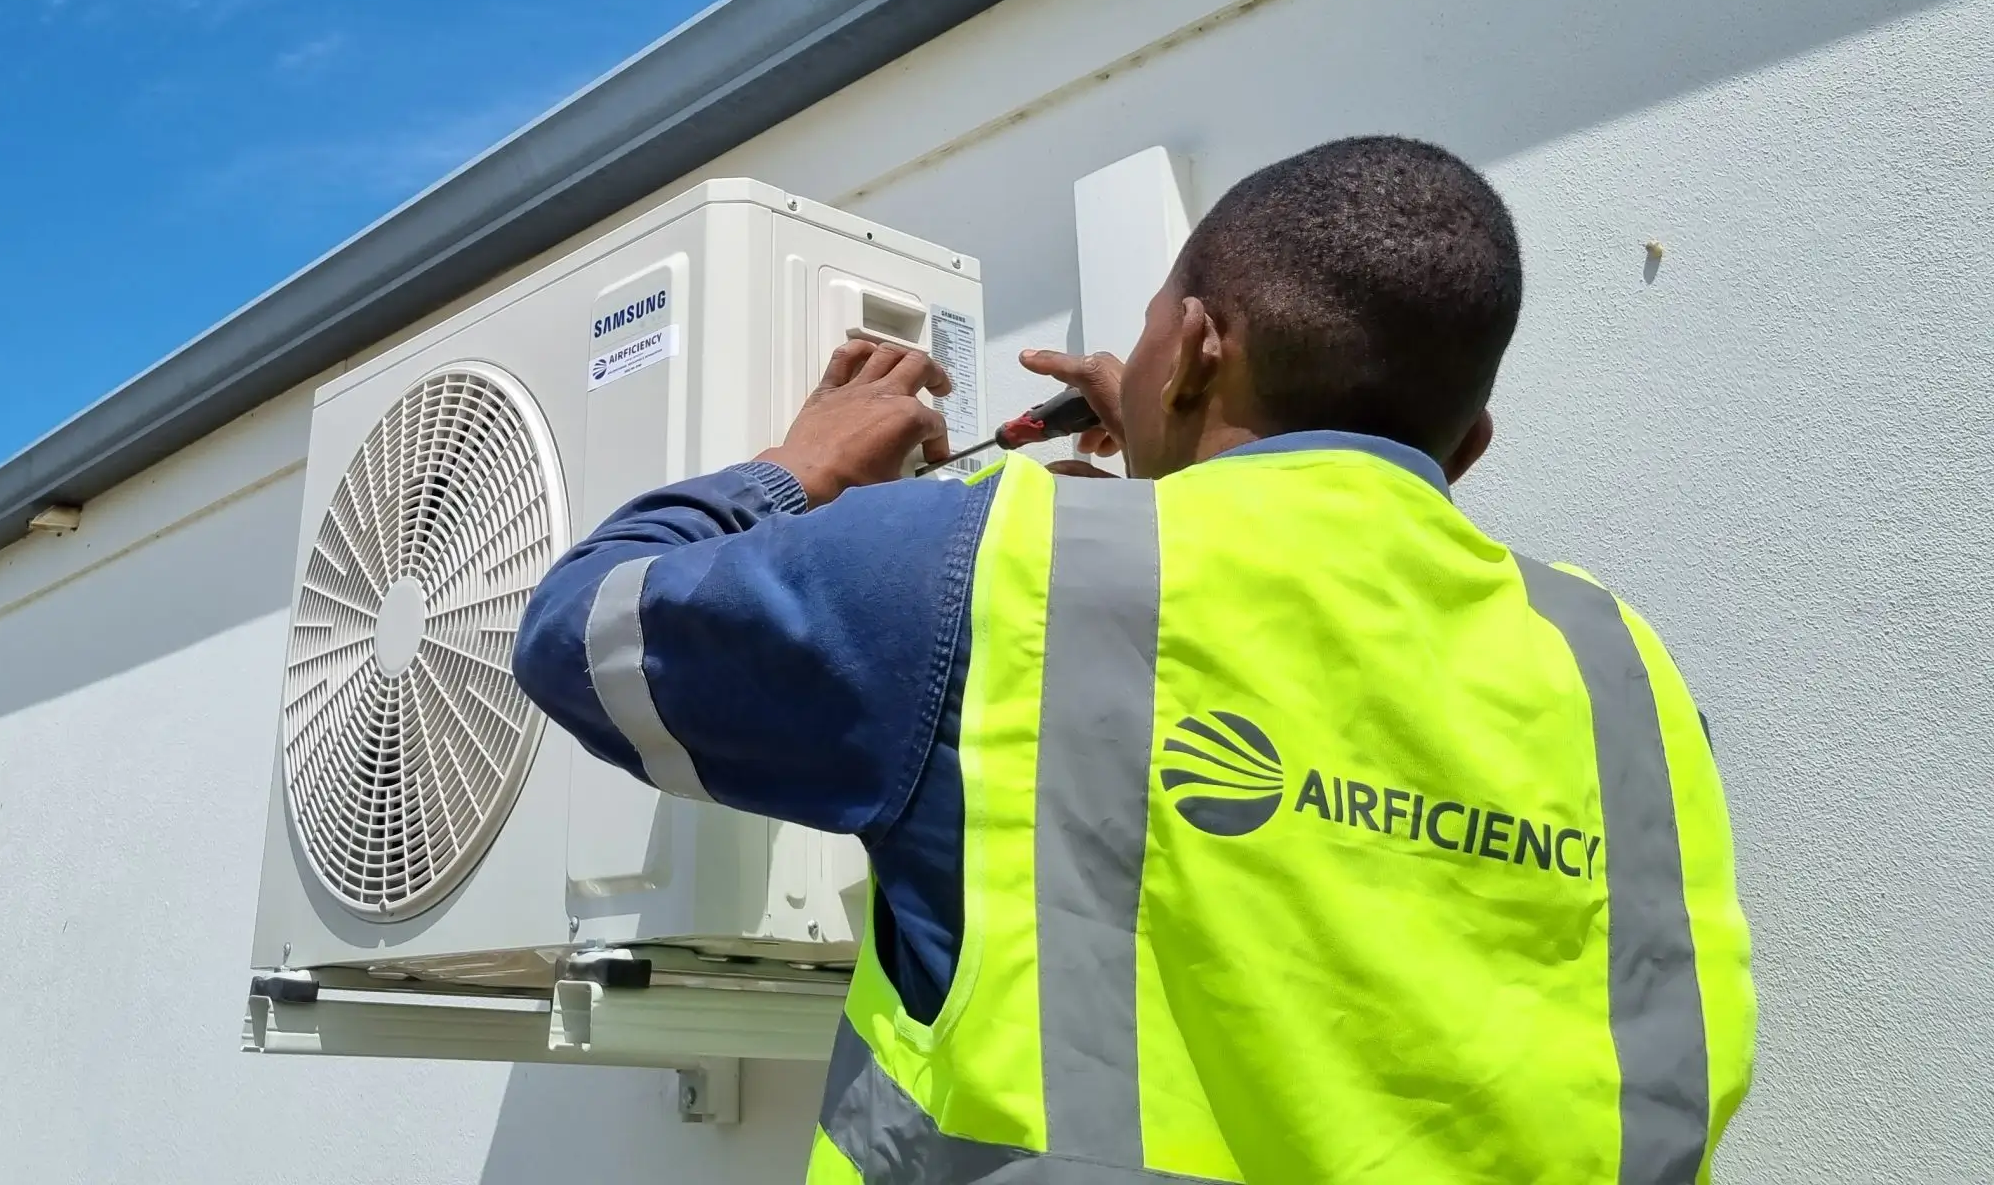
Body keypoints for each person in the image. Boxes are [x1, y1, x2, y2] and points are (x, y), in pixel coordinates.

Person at [513, 136, 1754, 1183]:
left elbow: (579, 629)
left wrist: (799, 466)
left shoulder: (995, 565)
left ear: (1203, 346)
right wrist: (1177, 449)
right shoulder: (1623, 676)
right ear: (1469, 444)